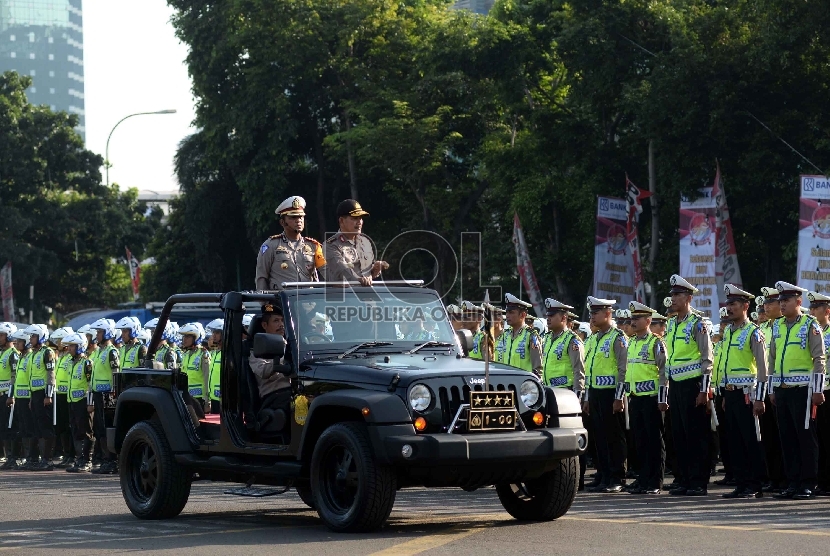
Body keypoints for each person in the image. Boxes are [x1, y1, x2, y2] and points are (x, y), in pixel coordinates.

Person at [768, 281, 826, 499]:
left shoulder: (810, 324)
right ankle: (792, 482)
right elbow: (772, 359)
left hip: (803, 389)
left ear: (798, 302)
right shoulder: (777, 325)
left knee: (805, 437)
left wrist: (818, 390)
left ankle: (807, 483)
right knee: (787, 437)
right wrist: (772, 388)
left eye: (786, 301)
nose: (782, 305)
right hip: (782, 389)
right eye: (780, 301)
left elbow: (819, 359)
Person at [664, 274, 713, 496]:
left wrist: (704, 389)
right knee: (679, 434)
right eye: (672, 294)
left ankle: (698, 481)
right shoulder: (672, 324)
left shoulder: (698, 323)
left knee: (696, 435)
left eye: (677, 295)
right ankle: (683, 478)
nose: (672, 299)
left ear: (688, 298)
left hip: (694, 386)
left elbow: (707, 359)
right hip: (676, 385)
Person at [718, 284, 768, 499]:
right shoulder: (728, 331)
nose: (729, 308)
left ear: (746, 306)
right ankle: (741, 483)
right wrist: (726, 394)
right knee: (734, 440)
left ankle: (754, 485)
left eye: (734, 304)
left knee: (750, 439)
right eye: (728, 304)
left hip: (748, 393)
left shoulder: (754, 332)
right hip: (731, 393)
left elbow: (763, 368)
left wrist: (760, 398)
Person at [583, 296, 628, 493]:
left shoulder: (618, 337)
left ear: (608, 313)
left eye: (596, 312)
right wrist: (586, 397)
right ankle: (603, 474)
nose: (592, 316)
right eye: (591, 313)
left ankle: (616, 477)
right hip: (595, 393)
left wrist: (619, 397)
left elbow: (623, 370)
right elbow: (587, 370)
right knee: (598, 436)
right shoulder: (593, 339)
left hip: (611, 394)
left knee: (613, 436)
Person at [624, 301, 667, 494]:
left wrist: (662, 397)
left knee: (653, 441)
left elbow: (664, 371)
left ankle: (654, 482)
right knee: (639, 441)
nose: (633, 322)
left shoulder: (656, 342)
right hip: (635, 397)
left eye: (637, 318)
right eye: (632, 318)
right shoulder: (631, 342)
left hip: (651, 398)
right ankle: (643, 478)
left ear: (648, 320)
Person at [255, 196, 326, 290]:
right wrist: (266, 303)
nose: (299, 220)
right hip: (282, 303)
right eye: (293, 217)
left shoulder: (314, 246)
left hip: (309, 302)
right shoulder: (270, 245)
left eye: (301, 217)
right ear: (282, 222)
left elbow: (327, 271)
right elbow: (261, 278)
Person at [19, 324, 57, 471]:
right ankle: (37, 459)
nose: (31, 339)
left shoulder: (47, 352)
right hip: (34, 394)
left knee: (45, 426)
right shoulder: (34, 353)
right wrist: (30, 398)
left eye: (33, 336)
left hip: (43, 394)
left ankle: (47, 460)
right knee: (36, 427)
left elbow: (51, 374)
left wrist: (48, 394)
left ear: (40, 336)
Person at [324, 199, 387, 285]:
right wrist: (360, 279)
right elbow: (342, 271)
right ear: (341, 221)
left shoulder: (365, 242)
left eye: (361, 218)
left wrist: (375, 269)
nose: (359, 222)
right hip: (343, 295)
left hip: (366, 295)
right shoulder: (331, 245)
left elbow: (366, 273)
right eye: (354, 218)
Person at [88, 318, 120, 475]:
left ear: (107, 333)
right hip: (97, 394)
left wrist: (114, 393)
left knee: (108, 427)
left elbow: (115, 374)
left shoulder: (112, 351)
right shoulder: (98, 352)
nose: (97, 335)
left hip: (108, 395)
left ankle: (111, 461)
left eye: (100, 332)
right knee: (99, 428)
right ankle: (104, 459)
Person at [249, 304, 292, 412]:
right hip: (274, 397)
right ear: (264, 325)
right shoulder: (257, 350)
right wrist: (284, 361)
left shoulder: (291, 346)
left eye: (282, 320)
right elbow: (263, 371)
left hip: (295, 392)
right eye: (276, 321)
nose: (281, 324)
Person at [62, 333, 94, 473]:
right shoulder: (70, 362)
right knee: (75, 430)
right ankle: (79, 459)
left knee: (86, 431)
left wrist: (90, 403)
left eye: (72, 346)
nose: (69, 349)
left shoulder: (87, 363)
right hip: (71, 401)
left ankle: (87, 460)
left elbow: (90, 384)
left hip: (82, 401)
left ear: (80, 346)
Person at [808, 291, 830, 496]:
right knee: (818, 438)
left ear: (827, 311)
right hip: (816, 390)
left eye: (816, 308)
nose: (812, 311)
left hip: (829, 391)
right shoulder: (813, 332)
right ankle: (821, 480)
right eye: (811, 308)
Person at [494, 294, 541, 373]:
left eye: (511, 312)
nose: (507, 315)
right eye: (507, 312)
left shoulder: (531, 335)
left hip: (523, 383)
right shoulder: (505, 335)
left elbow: (537, 367)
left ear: (522, 315)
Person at [50, 327, 75, 469]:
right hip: (59, 395)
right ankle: (66, 455)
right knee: (62, 427)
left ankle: (72, 455)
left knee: (70, 426)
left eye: (60, 340)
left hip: (68, 395)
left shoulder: (70, 358)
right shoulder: (62, 357)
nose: (58, 342)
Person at [179, 323, 211, 415]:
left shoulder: (203, 354)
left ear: (196, 338)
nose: (184, 339)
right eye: (184, 336)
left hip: (199, 399)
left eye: (187, 337)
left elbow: (207, 378)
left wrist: (207, 400)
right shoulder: (185, 354)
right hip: (186, 397)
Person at [0, 323, 19, 470]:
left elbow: (14, 377)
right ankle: (7, 455)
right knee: (3, 426)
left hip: (8, 395)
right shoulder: (2, 353)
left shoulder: (13, 354)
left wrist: (11, 395)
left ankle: (13, 457)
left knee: (9, 426)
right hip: (1, 394)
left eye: (2, 335)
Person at [206, 318, 224, 414]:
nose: (213, 335)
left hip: (224, 400)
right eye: (213, 333)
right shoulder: (215, 353)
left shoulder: (227, 354)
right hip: (213, 397)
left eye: (217, 333)